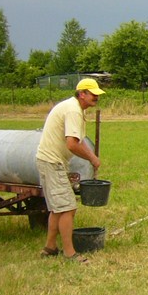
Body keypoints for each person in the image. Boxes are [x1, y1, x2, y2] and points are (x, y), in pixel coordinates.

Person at [36, 77, 105, 263]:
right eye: (93, 94)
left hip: (51, 161)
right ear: (82, 94)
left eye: (97, 94)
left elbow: (78, 141)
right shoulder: (73, 110)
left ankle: (50, 247)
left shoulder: (75, 108)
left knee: (58, 208)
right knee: (68, 208)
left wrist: (91, 156)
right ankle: (70, 253)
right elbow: (72, 144)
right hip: (52, 162)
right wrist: (92, 158)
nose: (96, 97)